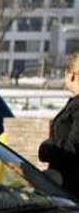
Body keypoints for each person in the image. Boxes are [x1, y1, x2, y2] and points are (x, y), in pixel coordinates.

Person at [38, 52, 79, 197]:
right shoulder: (74, 104)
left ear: (72, 75)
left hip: (71, 189)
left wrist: (46, 148)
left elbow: (72, 148)